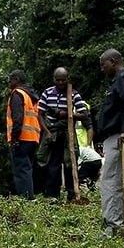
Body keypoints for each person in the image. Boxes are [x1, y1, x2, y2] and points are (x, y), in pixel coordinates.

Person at [96, 49, 124, 238]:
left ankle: (113, 227)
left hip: (120, 136)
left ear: (113, 61)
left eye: (103, 64)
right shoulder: (120, 80)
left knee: (110, 181)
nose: (101, 69)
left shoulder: (123, 79)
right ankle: (118, 223)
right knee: (117, 180)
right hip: (116, 136)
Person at [37, 67, 94, 200]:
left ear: (67, 79)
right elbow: (40, 114)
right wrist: (46, 132)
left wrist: (69, 115)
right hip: (53, 132)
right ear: (54, 80)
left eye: (63, 80)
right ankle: (52, 195)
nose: (61, 83)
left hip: (67, 132)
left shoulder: (73, 94)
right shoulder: (47, 93)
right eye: (58, 80)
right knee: (53, 164)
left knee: (70, 163)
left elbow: (84, 115)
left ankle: (72, 194)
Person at [6, 70, 42, 199]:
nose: (9, 83)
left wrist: (15, 138)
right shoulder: (31, 96)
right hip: (33, 138)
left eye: (10, 80)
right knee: (27, 169)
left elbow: (17, 118)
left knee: (21, 170)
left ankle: (25, 199)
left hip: (21, 138)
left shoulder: (17, 94)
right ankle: (29, 197)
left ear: (16, 80)